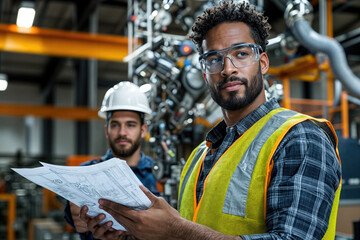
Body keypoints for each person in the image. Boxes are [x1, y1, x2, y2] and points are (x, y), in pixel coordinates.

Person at [80, 1, 342, 240]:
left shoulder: (299, 137)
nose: (228, 68)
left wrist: (175, 230)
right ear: (205, 74)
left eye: (241, 54)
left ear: (262, 62)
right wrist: (130, 236)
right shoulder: (199, 157)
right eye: (214, 59)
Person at [64, 81, 159, 240]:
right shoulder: (84, 174)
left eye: (130, 125)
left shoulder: (160, 175)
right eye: (115, 125)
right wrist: (76, 215)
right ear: (107, 130)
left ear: (143, 130)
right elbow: (76, 221)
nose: (122, 132)